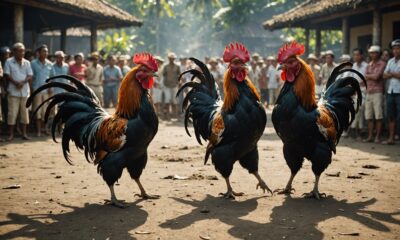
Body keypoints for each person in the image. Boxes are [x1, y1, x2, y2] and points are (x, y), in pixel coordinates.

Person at [3, 43, 32, 141]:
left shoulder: (27, 62)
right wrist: (16, 83)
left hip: (24, 91)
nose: (22, 53)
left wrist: (23, 82)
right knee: (12, 114)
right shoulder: (9, 61)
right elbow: (6, 74)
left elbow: (30, 75)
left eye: (23, 51)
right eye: (19, 51)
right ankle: (11, 135)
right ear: (14, 52)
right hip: (13, 92)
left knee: (25, 114)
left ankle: (24, 134)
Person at [363, 45, 386, 143]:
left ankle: (378, 137)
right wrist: (370, 76)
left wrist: (369, 76)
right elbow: (365, 76)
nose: (372, 54)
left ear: (378, 53)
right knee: (369, 116)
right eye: (371, 53)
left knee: (378, 116)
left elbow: (377, 77)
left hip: (378, 92)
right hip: (369, 91)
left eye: (374, 52)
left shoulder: (382, 64)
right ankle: (370, 136)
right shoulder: (369, 64)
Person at [31, 44, 53, 137]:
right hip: (37, 90)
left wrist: (50, 87)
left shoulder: (50, 64)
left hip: (47, 91)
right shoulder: (33, 63)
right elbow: (31, 77)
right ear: (39, 53)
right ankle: (39, 131)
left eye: (47, 51)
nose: (46, 53)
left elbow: (52, 77)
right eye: (44, 51)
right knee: (38, 111)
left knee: (45, 112)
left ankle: (45, 129)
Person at [382, 39, 400, 145]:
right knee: (391, 116)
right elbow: (384, 75)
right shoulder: (390, 61)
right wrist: (395, 74)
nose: (396, 51)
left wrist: (391, 74)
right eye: (394, 49)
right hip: (391, 92)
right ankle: (391, 137)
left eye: (398, 48)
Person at [349, 48, 368, 140]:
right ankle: (359, 131)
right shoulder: (354, 66)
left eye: (357, 55)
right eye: (354, 55)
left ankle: (354, 128)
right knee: (357, 109)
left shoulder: (366, 66)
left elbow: (366, 80)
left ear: (361, 55)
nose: (355, 57)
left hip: (364, 91)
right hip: (355, 91)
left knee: (360, 108)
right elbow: (352, 79)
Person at [162, 52, 180, 119]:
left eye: (172, 58)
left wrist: (179, 82)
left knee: (174, 101)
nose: (171, 60)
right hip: (167, 85)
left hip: (174, 85)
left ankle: (174, 114)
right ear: (168, 59)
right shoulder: (166, 66)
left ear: (174, 59)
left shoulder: (177, 66)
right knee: (167, 100)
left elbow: (179, 75)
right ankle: (167, 115)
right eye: (170, 58)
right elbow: (164, 75)